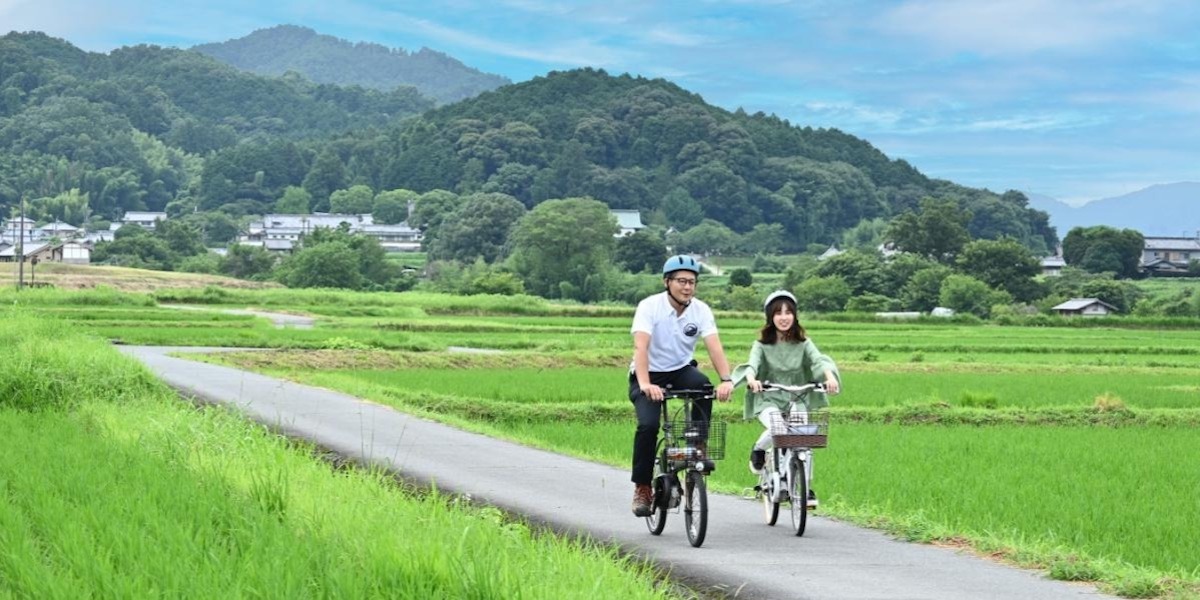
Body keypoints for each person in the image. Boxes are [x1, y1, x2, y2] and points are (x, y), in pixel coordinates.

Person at [628, 255, 734, 517]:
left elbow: (714, 346)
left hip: (680, 370)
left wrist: (726, 379)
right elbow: (641, 347)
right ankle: (642, 487)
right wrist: (645, 384)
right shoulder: (649, 306)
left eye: (692, 282)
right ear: (667, 282)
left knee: (704, 388)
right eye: (682, 281)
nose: (687, 287)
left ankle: (698, 445)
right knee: (648, 426)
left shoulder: (701, 310)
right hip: (648, 373)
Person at [732, 289, 840, 508]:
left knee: (803, 440)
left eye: (788, 312)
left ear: (795, 316)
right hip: (768, 396)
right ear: (771, 317)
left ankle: (805, 488)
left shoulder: (804, 343)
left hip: (796, 395)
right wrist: (752, 379)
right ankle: (760, 449)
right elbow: (752, 365)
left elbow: (818, 361)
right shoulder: (761, 344)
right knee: (778, 426)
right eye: (778, 313)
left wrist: (830, 379)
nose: (784, 317)